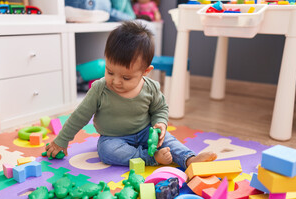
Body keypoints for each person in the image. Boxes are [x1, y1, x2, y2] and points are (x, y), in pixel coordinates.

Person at [45, 21, 216, 170]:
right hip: (113, 138)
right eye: (110, 72)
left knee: (169, 141)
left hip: (146, 133)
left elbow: (160, 108)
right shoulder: (100, 89)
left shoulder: (151, 88)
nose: (116, 81)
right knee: (106, 152)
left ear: (145, 72)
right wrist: (61, 140)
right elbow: (79, 116)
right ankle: (150, 158)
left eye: (126, 77)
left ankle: (190, 159)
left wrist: (160, 124)